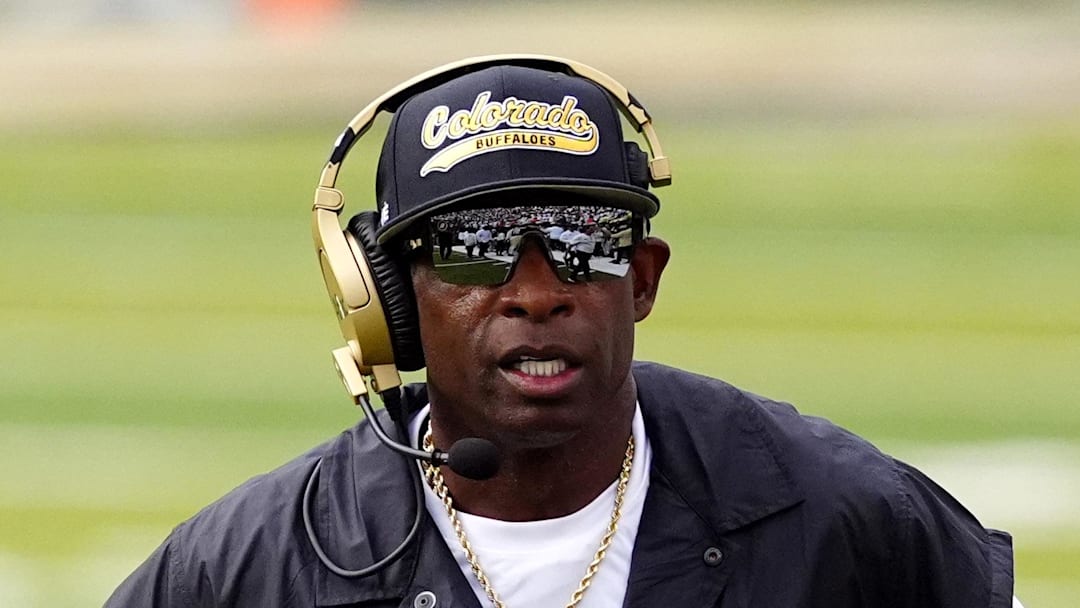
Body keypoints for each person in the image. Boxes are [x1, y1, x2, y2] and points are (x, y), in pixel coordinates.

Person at [106, 58, 1016, 607]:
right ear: (387, 299)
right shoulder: (250, 566)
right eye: (476, 248)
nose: (536, 292)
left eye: (584, 243)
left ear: (645, 278)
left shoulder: (845, 516)